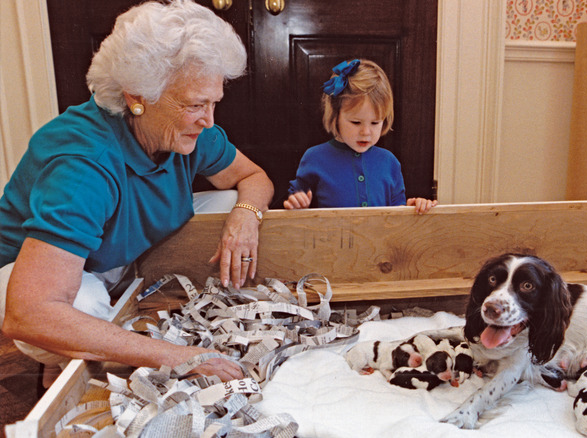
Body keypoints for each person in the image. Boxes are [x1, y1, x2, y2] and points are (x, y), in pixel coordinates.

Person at [0, 0, 273, 387]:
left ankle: (75, 348)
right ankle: (60, 362)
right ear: (136, 97)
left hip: (109, 252)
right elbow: (29, 312)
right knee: (85, 307)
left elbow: (255, 177)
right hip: (28, 279)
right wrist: (180, 357)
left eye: (213, 103)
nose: (209, 120)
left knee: (231, 201)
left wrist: (247, 217)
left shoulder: (191, 131)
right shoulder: (83, 164)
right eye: (195, 104)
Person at [283, 59, 437, 214]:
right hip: (333, 238)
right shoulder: (314, 158)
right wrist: (298, 203)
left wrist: (412, 209)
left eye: (375, 122)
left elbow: (398, 213)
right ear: (335, 116)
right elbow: (297, 199)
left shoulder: (389, 163)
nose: (366, 132)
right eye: (356, 122)